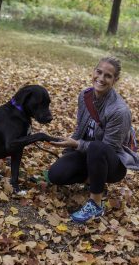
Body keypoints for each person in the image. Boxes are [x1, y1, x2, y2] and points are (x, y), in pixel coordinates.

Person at [48, 56, 139, 224]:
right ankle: (93, 178)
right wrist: (67, 152)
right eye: (99, 72)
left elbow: (108, 148)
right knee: (55, 175)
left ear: (115, 80)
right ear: (93, 71)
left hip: (113, 164)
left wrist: (76, 144)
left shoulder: (119, 111)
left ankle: (96, 203)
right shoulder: (85, 96)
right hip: (88, 154)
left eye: (108, 76)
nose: (101, 78)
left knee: (97, 148)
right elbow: (80, 129)